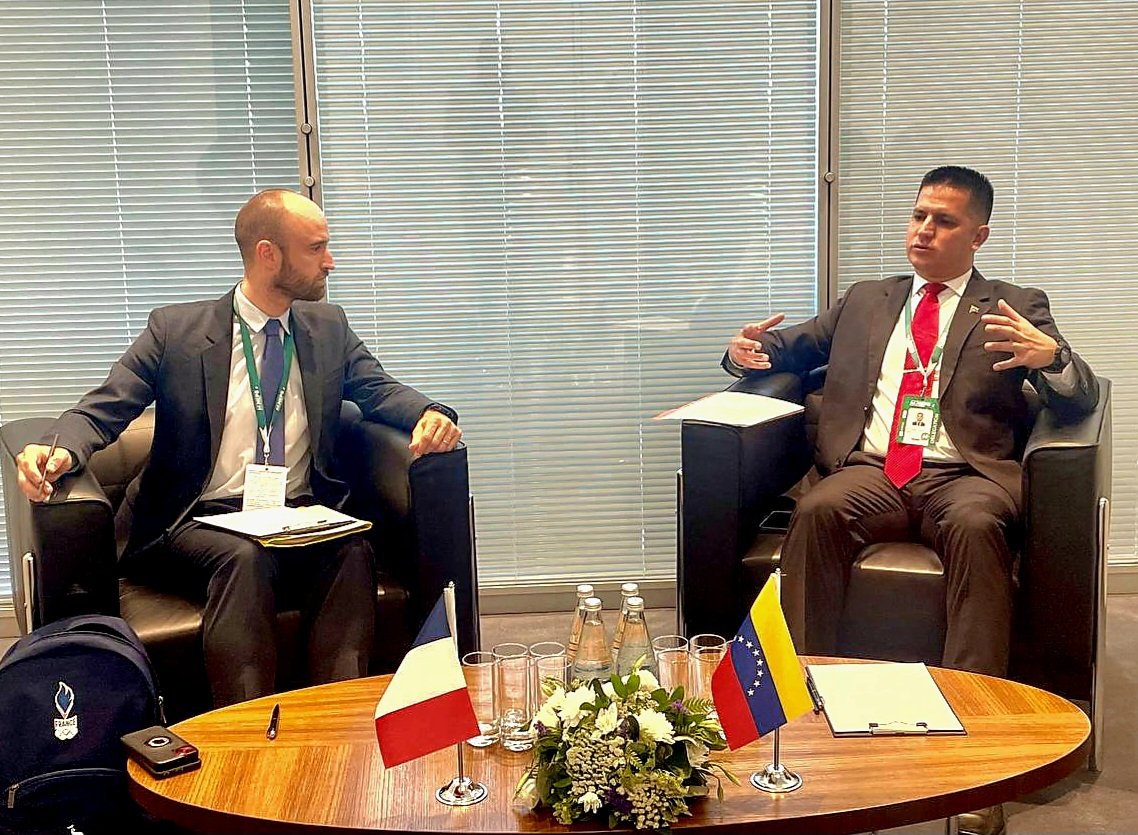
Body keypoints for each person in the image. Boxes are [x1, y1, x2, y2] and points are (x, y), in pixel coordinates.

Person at [724, 166, 1098, 834]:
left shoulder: (1013, 304)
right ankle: (800, 718)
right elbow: (788, 346)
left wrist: (1051, 360)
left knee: (979, 527)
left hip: (964, 475)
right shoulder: (868, 299)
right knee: (817, 510)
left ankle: (976, 749)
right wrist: (744, 350)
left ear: (978, 235)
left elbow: (1079, 396)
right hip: (873, 471)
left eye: (944, 221)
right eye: (919, 215)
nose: (924, 230)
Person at [15, 189, 462, 708]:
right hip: (195, 520)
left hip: (297, 515)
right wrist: (58, 450)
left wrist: (431, 412)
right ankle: (246, 728)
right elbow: (107, 405)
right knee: (243, 558)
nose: (330, 262)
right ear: (267, 254)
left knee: (352, 550)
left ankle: (338, 718)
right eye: (316, 248)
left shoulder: (328, 327)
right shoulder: (177, 332)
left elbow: (377, 389)